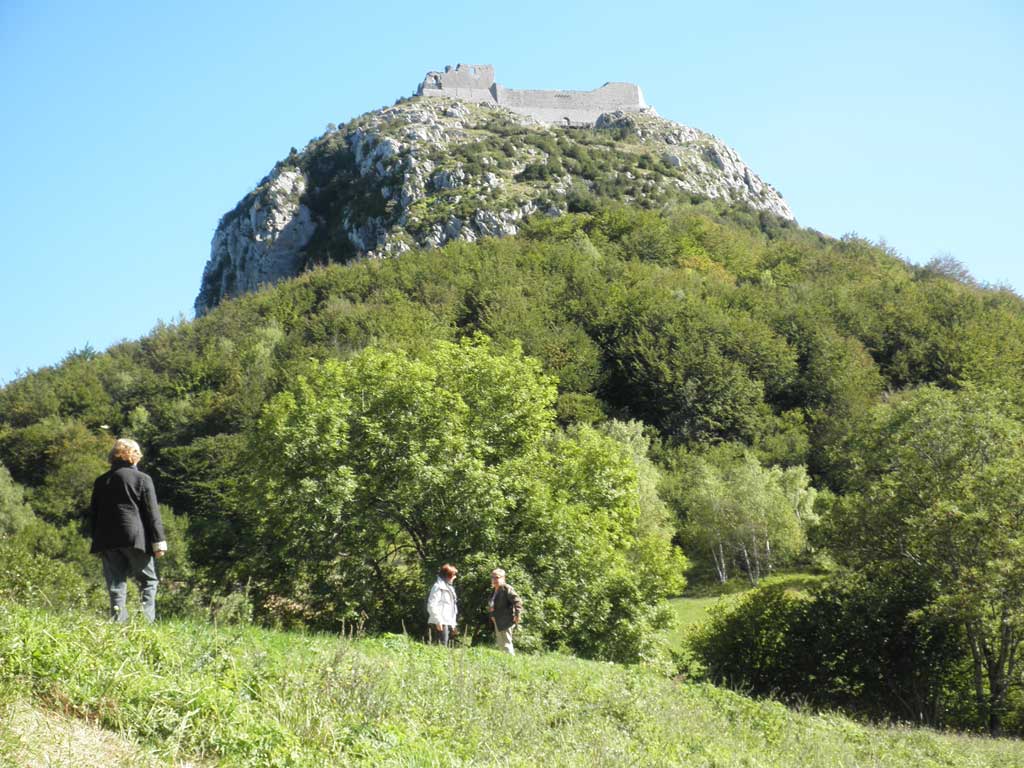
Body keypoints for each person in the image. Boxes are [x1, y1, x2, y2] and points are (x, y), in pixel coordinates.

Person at [89, 438, 167, 622]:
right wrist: (158, 543)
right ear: (134, 456)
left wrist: (96, 542)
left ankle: (118, 624)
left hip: (106, 540)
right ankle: (144, 623)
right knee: (148, 581)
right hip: (134, 539)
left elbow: (93, 514)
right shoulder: (142, 479)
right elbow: (152, 513)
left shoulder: (101, 481)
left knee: (116, 585)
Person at [488, 568, 522, 655]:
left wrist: (517, 615)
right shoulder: (494, 590)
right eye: (493, 577)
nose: (494, 580)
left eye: (497, 577)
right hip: (497, 620)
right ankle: (505, 662)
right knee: (501, 643)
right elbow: (492, 605)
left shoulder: (506, 588)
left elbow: (517, 601)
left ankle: (511, 662)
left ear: (503, 578)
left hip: (506, 620)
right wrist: (492, 615)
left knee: (507, 643)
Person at [426, 563, 458, 645]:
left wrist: (453, 624)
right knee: (441, 647)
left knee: (444, 648)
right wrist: (438, 621)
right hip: (440, 623)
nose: (455, 577)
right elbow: (431, 605)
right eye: (454, 575)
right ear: (448, 576)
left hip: (447, 623)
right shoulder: (437, 587)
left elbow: (452, 609)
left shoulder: (449, 588)